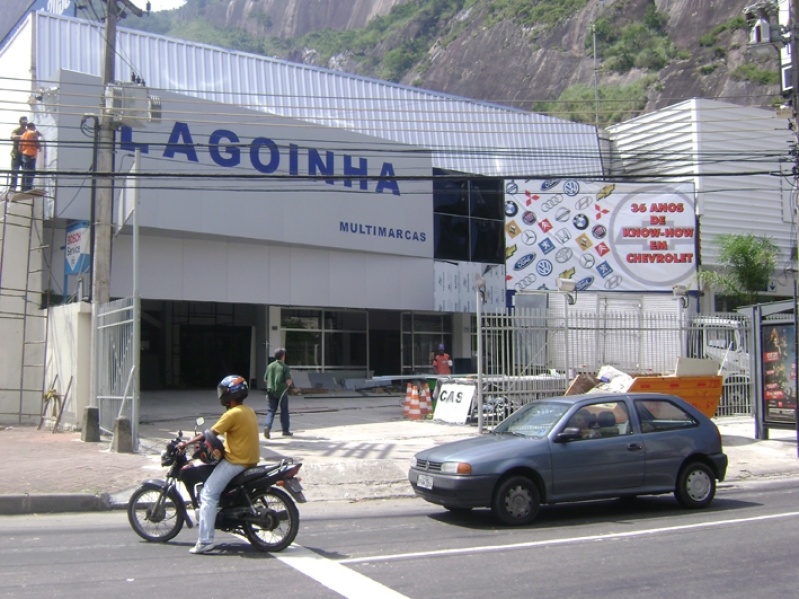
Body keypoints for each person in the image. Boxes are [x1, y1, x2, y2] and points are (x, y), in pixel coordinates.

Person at [177, 374, 260, 555]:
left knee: (208, 494)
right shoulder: (249, 411)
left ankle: (205, 541)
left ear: (230, 394)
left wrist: (186, 443)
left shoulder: (232, 414)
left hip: (236, 461)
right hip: (251, 459)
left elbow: (210, 433)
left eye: (223, 391)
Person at [263, 347, 293, 439]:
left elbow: (265, 379)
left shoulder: (270, 366)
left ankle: (267, 426)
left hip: (270, 391)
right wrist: (290, 381)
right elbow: (288, 381)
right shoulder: (285, 367)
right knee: (284, 411)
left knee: (271, 410)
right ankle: (285, 431)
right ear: (283, 356)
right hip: (282, 392)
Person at [19, 122, 42, 191]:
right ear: (32, 127)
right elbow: (36, 143)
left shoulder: (23, 135)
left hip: (24, 155)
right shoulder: (32, 133)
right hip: (31, 156)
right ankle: (28, 188)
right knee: (31, 172)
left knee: (25, 172)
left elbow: (19, 149)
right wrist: (40, 147)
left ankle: (23, 188)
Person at [9, 115, 28, 190]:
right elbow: (12, 137)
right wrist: (23, 136)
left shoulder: (28, 132)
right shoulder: (16, 130)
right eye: (23, 122)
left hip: (24, 154)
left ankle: (24, 189)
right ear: (20, 122)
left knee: (25, 172)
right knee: (14, 172)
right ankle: (13, 188)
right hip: (16, 154)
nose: (24, 124)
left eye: (25, 123)